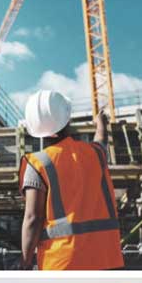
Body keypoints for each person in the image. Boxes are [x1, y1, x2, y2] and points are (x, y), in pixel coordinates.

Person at [19, 89, 124, 270]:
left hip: (62, 263)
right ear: (68, 120)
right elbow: (101, 141)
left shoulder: (37, 163)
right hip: (107, 258)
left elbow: (32, 219)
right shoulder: (95, 154)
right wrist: (101, 124)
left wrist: (25, 261)